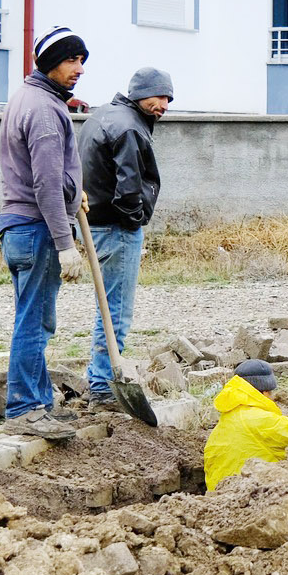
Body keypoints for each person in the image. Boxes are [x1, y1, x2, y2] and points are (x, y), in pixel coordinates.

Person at [0, 26, 89, 439]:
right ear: (51, 62)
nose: (79, 68)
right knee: (34, 322)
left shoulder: (27, 98)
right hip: (37, 230)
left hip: (20, 228)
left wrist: (74, 190)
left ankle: (38, 403)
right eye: (72, 60)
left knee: (31, 319)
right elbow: (46, 183)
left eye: (82, 60)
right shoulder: (44, 110)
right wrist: (66, 244)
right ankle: (26, 409)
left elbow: (53, 178)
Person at [78, 67, 174, 405]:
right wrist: (135, 221)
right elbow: (128, 189)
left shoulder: (104, 116)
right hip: (116, 228)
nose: (164, 104)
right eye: (159, 96)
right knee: (115, 311)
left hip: (96, 223)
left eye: (168, 98)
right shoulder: (130, 128)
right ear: (140, 93)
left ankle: (99, 379)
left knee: (107, 307)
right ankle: (103, 387)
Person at [204, 359, 288, 490]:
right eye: (271, 393)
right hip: (252, 499)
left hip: (221, 499)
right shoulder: (256, 419)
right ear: (265, 392)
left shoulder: (226, 421)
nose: (273, 398)